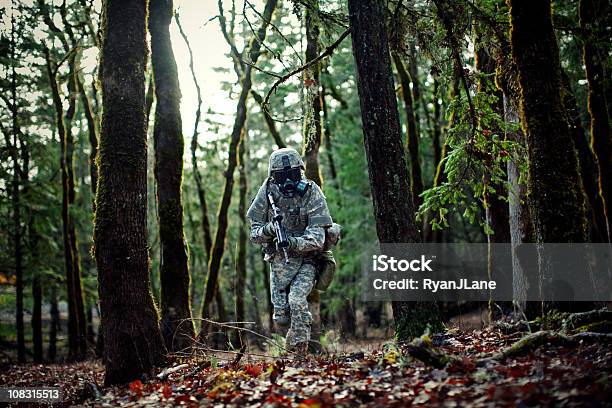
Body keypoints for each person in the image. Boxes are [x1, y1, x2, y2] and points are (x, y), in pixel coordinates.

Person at [246, 147, 338, 354]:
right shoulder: (267, 192)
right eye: (282, 176)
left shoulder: (312, 192)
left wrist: (294, 243)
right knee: (282, 318)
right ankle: (292, 345)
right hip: (278, 261)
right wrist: (271, 229)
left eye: (293, 175)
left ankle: (299, 352)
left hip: (307, 259)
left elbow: (317, 238)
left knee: (296, 300)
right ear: (273, 176)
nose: (288, 181)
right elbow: (254, 234)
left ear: (301, 172)